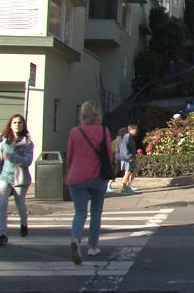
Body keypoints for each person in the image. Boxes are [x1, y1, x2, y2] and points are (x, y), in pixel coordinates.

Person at [65, 101, 113, 265]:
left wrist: (71, 170)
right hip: (98, 176)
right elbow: (109, 154)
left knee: (79, 212)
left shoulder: (74, 132)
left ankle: (76, 239)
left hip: (77, 177)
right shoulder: (103, 131)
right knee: (96, 212)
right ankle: (93, 246)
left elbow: (69, 157)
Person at [0, 114, 33, 246]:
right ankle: (2, 234)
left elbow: (28, 161)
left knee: (20, 205)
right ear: (10, 125)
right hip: (5, 177)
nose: (17, 125)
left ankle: (24, 224)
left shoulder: (27, 143)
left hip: (20, 179)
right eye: (14, 123)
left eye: (20, 123)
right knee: (2, 206)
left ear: (23, 125)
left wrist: (13, 156)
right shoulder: (4, 142)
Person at [119, 124, 139, 194]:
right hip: (127, 158)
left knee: (134, 170)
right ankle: (124, 187)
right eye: (135, 130)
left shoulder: (129, 137)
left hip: (130, 157)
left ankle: (128, 185)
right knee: (128, 172)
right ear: (131, 130)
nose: (137, 131)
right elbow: (124, 148)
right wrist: (129, 157)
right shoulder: (127, 136)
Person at [107, 127, 127, 192]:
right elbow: (121, 148)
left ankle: (126, 185)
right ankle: (109, 184)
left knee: (127, 171)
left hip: (119, 156)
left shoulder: (119, 139)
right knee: (116, 172)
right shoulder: (120, 139)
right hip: (119, 157)